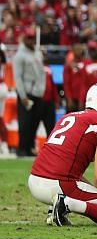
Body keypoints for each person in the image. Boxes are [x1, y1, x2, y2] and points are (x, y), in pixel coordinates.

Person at [27, 81, 97, 227]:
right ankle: (67, 203)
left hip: (35, 180)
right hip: (59, 184)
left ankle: (56, 208)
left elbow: (67, 168)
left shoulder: (69, 116)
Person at [13, 26, 45, 157]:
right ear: (25, 39)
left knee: (34, 122)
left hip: (38, 93)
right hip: (27, 93)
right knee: (24, 122)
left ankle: (30, 147)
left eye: (33, 38)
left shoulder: (37, 53)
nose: (31, 41)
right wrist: (23, 96)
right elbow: (17, 77)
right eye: (29, 38)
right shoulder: (19, 55)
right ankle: (22, 148)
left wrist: (42, 89)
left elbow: (41, 73)